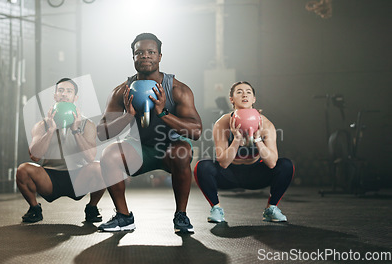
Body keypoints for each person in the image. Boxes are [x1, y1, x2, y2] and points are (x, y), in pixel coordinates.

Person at [96, 33, 202, 233]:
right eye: (139, 53)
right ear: (134, 57)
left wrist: (163, 114)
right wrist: (128, 117)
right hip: (139, 148)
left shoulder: (177, 89)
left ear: (160, 56)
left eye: (151, 52)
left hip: (170, 148)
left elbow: (196, 131)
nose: (145, 56)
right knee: (108, 155)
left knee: (181, 153)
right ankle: (123, 216)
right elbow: (102, 133)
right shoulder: (122, 91)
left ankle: (181, 215)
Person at [193, 81, 294, 223]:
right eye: (239, 92)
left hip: (256, 175)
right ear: (232, 99)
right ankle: (216, 209)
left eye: (248, 92)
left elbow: (272, 163)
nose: (244, 94)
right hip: (229, 174)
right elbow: (223, 162)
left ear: (253, 99)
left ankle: (271, 208)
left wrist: (258, 139)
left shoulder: (266, 124)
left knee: (286, 165)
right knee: (202, 167)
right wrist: (236, 140)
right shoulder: (222, 123)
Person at [16, 78, 106, 223]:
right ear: (55, 95)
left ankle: (92, 208)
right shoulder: (41, 125)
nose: (64, 94)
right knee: (23, 169)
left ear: (75, 98)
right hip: (49, 178)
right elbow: (34, 157)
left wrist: (76, 131)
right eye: (61, 91)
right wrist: (50, 130)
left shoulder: (87, 124)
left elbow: (90, 157)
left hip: (78, 177)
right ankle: (34, 209)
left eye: (69, 91)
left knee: (100, 167)